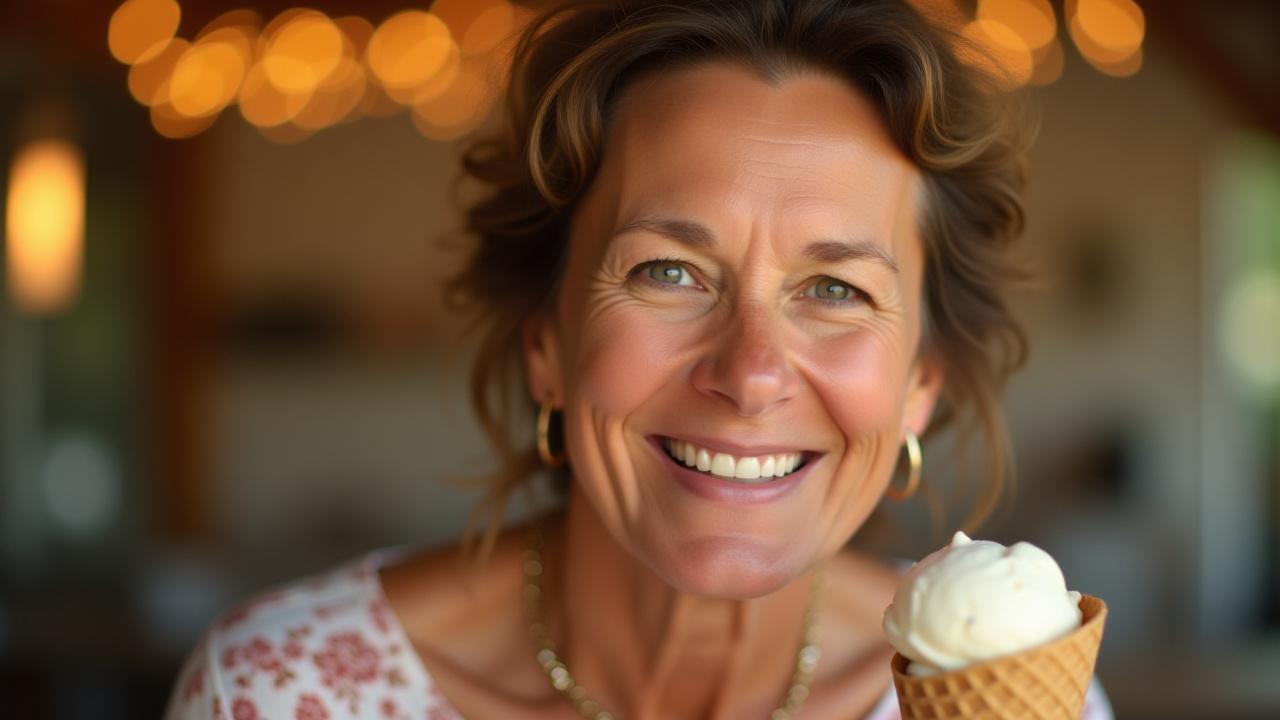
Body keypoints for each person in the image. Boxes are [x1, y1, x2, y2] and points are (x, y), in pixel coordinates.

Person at [165, 1, 1113, 718]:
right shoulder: (276, 692)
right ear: (547, 343)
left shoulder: (1011, 696)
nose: (749, 374)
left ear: (919, 386)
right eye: (668, 270)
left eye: (836, 290)